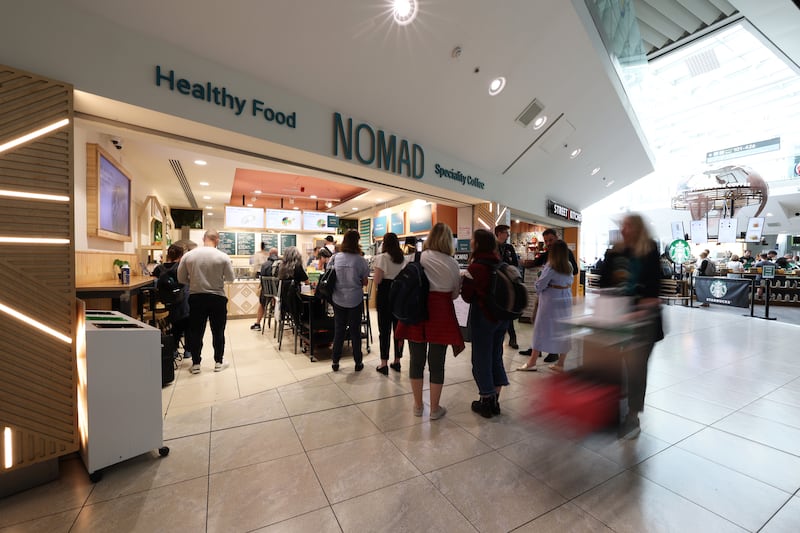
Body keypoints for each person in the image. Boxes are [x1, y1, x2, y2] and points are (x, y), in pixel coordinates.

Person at [597, 213, 664, 439]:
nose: (624, 230)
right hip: (616, 319)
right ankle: (612, 410)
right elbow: (604, 283)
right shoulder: (614, 252)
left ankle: (632, 416)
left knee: (636, 370)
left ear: (638, 228)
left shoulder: (650, 250)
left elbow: (654, 287)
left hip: (644, 323)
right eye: (622, 226)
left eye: (628, 226)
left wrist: (643, 307)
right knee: (614, 367)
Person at [395, 223, 464, 420]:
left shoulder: (415, 257)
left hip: (416, 313)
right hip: (441, 315)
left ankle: (417, 406)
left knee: (416, 361)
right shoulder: (452, 263)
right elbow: (454, 295)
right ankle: (434, 409)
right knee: (437, 363)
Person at [460, 229, 510, 418]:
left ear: (478, 243)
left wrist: (465, 282)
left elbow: (467, 296)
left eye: (473, 239)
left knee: (481, 359)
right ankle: (495, 399)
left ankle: (486, 401)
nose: (471, 241)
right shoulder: (500, 263)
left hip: (484, 318)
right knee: (496, 356)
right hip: (502, 318)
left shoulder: (476, 267)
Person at [177, 229, 235, 374]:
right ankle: (218, 362)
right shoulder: (223, 257)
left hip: (196, 297)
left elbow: (181, 279)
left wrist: (194, 281)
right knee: (218, 331)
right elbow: (231, 278)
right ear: (218, 240)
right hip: (217, 298)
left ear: (204, 238)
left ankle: (196, 364)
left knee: (196, 331)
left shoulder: (189, 256)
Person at [520, 228, 578, 363]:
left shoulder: (561, 258)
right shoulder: (549, 255)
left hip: (550, 296)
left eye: (550, 240)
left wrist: (556, 274)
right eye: (546, 241)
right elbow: (538, 262)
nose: (548, 243)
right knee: (546, 325)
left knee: (544, 326)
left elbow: (573, 271)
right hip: (559, 296)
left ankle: (545, 354)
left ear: (556, 238)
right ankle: (538, 351)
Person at [328, 230, 369, 372]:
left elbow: (328, 276)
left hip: (338, 299)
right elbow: (365, 282)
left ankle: (335, 361)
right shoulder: (361, 260)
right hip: (355, 299)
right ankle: (358, 362)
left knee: (339, 331)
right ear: (357, 242)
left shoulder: (335, 258)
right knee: (355, 332)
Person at [373, 233, 406, 375]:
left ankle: (384, 363)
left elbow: (377, 280)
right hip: (400, 296)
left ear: (384, 243)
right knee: (399, 330)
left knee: (384, 330)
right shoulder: (403, 258)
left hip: (385, 295)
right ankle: (397, 361)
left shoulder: (381, 258)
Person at [152, 243, 190, 359]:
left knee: (174, 324)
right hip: (182, 303)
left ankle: (173, 349)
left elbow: (154, 284)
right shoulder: (182, 267)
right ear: (181, 255)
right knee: (187, 323)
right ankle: (188, 350)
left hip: (165, 305)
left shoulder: (158, 268)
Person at [494, 224, 520, 349]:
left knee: (508, 309)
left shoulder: (509, 247)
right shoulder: (492, 247)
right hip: (496, 284)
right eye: (506, 232)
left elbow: (515, 263)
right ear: (499, 233)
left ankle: (512, 337)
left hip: (509, 283)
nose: (508, 235)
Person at [250, 247, 280, 330]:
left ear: (269, 254)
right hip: (278, 294)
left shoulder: (264, 264)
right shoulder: (280, 264)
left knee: (262, 303)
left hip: (266, 292)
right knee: (280, 299)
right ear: (277, 254)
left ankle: (258, 323)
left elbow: (262, 278)